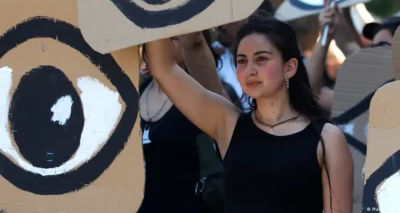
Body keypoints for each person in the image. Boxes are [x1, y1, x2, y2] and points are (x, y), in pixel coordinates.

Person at [145, 11, 354, 212]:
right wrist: (155, 1)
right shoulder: (227, 123)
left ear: (289, 67)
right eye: (242, 61)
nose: (250, 70)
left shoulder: (326, 139)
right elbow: (163, 68)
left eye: (261, 58)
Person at [138, 31, 225, 213]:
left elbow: (196, 44)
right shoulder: (134, 93)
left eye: (175, 38)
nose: (163, 43)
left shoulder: (202, 92)